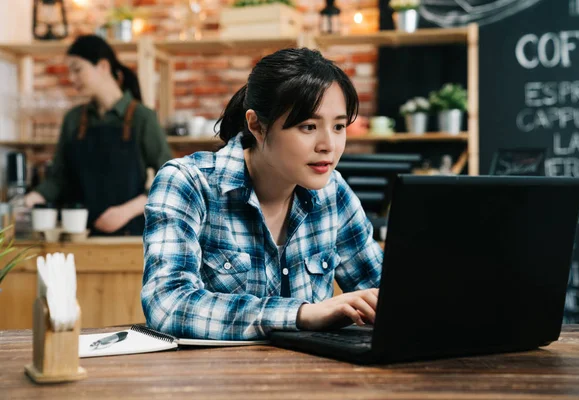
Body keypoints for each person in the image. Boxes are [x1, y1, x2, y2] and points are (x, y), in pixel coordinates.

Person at [142, 48, 383, 340]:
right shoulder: (188, 183)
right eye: (308, 126)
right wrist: (301, 314)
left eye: (339, 126)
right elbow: (167, 305)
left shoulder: (334, 192)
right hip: (214, 382)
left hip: (314, 378)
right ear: (256, 124)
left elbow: (386, 292)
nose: (329, 145)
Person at [25, 35, 171, 236]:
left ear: (102, 66)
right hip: (78, 236)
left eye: (77, 69)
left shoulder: (142, 117)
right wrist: (30, 199)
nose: (72, 78)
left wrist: (125, 211)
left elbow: (170, 181)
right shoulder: (73, 119)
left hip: (130, 236)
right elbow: (59, 178)